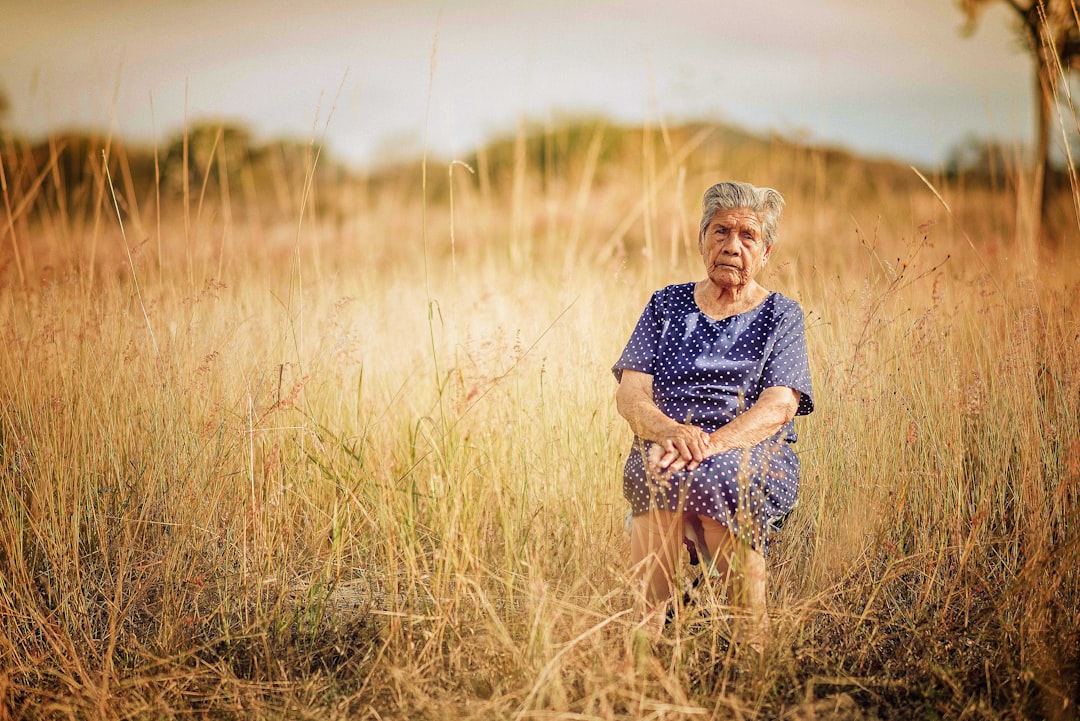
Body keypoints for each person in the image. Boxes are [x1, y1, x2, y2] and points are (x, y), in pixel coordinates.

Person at [612, 181, 814, 648]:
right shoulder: (666, 305)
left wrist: (710, 444)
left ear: (765, 251)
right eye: (720, 231)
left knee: (719, 475)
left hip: (748, 451)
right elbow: (631, 394)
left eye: (748, 236)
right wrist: (670, 432)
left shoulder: (781, 315)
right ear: (701, 238)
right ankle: (645, 638)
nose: (732, 245)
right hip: (670, 446)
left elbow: (781, 403)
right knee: (654, 470)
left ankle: (751, 638)